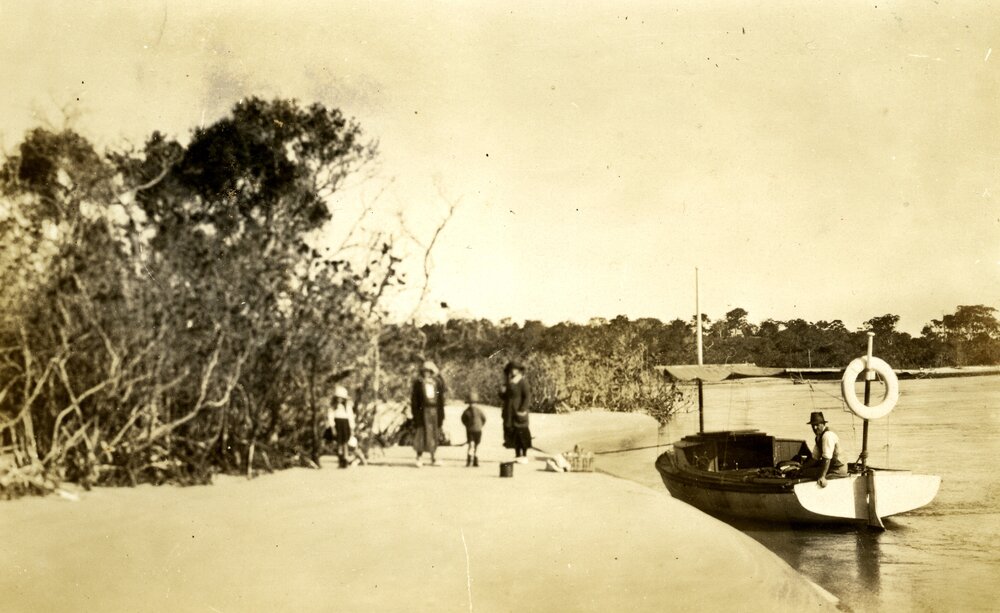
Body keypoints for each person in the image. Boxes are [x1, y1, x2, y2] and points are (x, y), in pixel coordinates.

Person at [410, 360, 445, 467]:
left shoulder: (437, 384)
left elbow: (440, 399)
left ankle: (433, 457)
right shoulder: (418, 383)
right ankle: (419, 457)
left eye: (429, 371)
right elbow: (414, 400)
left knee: (433, 434)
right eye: (425, 371)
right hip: (422, 412)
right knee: (421, 434)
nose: (427, 373)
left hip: (434, 412)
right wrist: (415, 415)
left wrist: (441, 415)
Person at [799, 411, 846, 487]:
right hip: (831, 467)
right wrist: (801, 468)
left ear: (823, 424)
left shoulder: (827, 436)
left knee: (805, 473)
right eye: (813, 425)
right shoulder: (819, 437)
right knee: (804, 471)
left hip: (838, 470)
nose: (814, 428)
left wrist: (822, 477)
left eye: (817, 425)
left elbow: (827, 458)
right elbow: (815, 458)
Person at [500, 360, 532, 464]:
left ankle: (524, 454)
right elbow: (504, 397)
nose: (513, 372)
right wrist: (502, 392)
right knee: (513, 432)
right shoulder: (509, 382)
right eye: (511, 370)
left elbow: (527, 396)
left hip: (519, 410)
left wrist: (523, 409)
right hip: (509, 411)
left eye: (515, 369)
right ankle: (517, 454)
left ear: (519, 371)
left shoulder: (522, 381)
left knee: (522, 432)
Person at [327, 385, 353, 468]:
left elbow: (350, 416)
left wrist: (352, 427)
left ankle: (345, 459)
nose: (340, 400)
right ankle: (340, 459)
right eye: (338, 398)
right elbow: (330, 416)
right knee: (339, 443)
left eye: (342, 398)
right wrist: (333, 427)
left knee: (345, 442)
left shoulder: (347, 406)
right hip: (337, 424)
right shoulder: (333, 407)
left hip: (345, 424)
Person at [461, 391, 487, 467]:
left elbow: (463, 419)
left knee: (471, 445)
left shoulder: (466, 411)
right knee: (476, 446)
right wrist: (480, 425)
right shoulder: (479, 411)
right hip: (478, 430)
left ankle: (469, 461)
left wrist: (467, 425)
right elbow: (484, 419)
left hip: (470, 430)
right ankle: (475, 461)